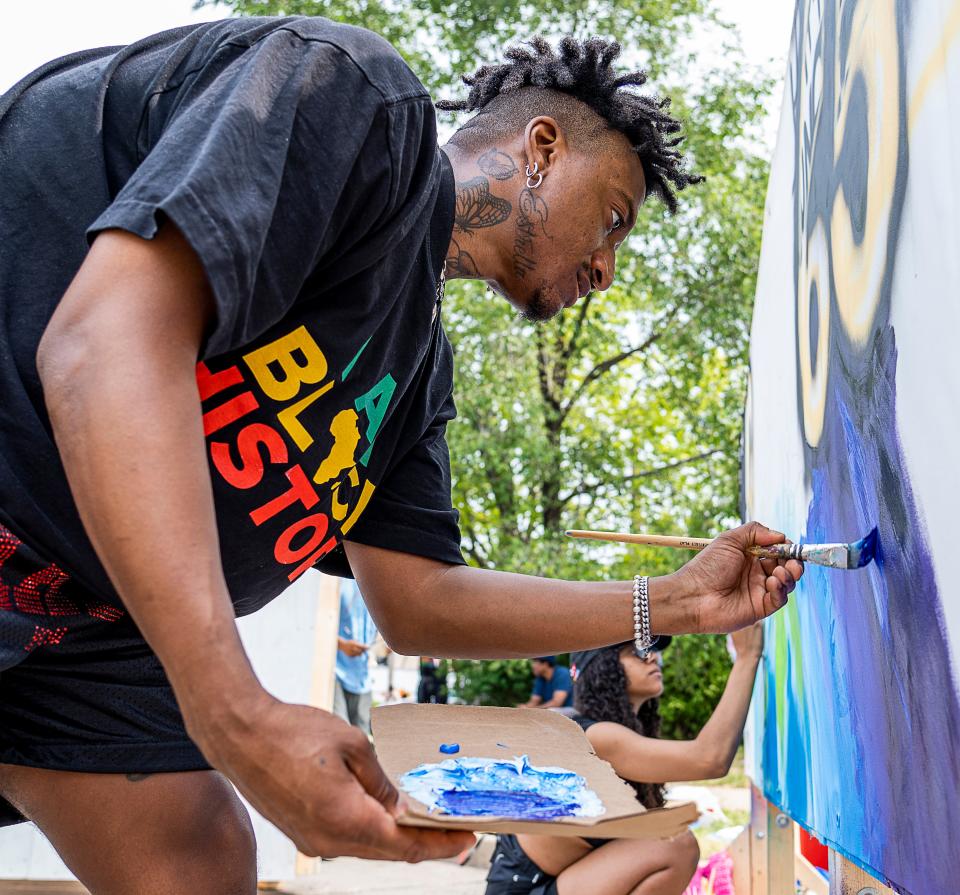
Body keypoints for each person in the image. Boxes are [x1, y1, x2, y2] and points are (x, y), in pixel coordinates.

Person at [0, 16, 803, 891]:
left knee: (200, 860)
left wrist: (678, 601)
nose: (608, 267)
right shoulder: (350, 99)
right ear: (541, 148)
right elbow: (101, 346)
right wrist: (233, 710)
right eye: (612, 218)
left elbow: (421, 602)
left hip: (80, 632)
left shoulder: (415, 368)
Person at [486, 625, 764, 895]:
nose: (652, 656)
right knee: (676, 844)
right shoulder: (596, 736)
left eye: (653, 650)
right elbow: (709, 760)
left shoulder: (617, 733)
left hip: (553, 882)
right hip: (527, 887)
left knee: (667, 836)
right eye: (638, 652)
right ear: (604, 667)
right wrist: (747, 657)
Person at [334, 578, 379, 735]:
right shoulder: (336, 581)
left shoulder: (376, 583)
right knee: (340, 732)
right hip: (335, 671)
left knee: (362, 738)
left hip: (362, 676)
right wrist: (341, 645)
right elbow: (317, 624)